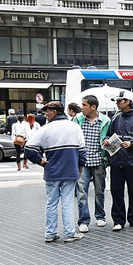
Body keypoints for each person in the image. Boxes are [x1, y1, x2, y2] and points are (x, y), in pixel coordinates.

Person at [24, 101, 86, 243]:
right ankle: (69, 233)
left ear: (55, 112)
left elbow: (29, 148)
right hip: (70, 171)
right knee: (67, 203)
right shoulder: (74, 127)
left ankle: (50, 233)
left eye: (48, 112)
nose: (46, 114)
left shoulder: (46, 129)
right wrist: (80, 165)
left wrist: (40, 162)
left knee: (51, 203)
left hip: (52, 171)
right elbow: (82, 151)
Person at [103, 90, 133, 231]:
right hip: (117, 161)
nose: (117, 104)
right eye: (117, 101)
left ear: (128, 102)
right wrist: (106, 141)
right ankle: (118, 220)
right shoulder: (116, 118)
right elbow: (110, 135)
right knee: (116, 192)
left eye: (120, 101)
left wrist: (131, 143)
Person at [75, 95, 111, 233]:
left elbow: (110, 135)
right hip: (82, 161)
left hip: (99, 160)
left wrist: (107, 140)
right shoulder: (78, 119)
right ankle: (83, 220)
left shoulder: (106, 121)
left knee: (99, 191)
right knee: (82, 192)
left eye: (84, 105)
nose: (81, 107)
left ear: (93, 107)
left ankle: (100, 216)